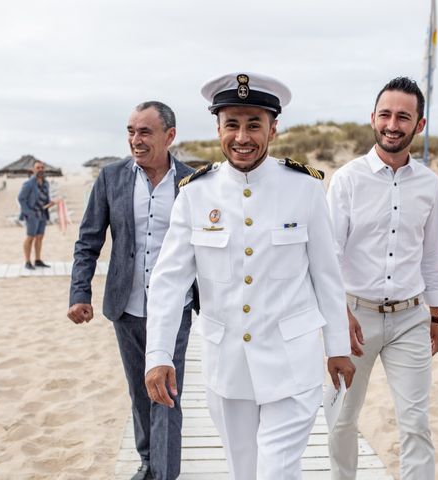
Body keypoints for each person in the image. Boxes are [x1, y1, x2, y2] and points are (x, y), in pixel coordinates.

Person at [144, 72, 355, 480]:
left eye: (254, 124)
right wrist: (158, 355)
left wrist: (337, 348)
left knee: (276, 472)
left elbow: (326, 275)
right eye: (232, 124)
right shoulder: (195, 194)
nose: (243, 137)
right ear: (218, 128)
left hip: (293, 365)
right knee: (244, 472)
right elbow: (169, 282)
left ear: (273, 129)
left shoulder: (305, 188)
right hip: (228, 368)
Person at [67, 101, 198, 480]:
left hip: (176, 307)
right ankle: (147, 460)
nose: (135, 140)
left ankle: (164, 473)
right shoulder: (110, 178)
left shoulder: (194, 180)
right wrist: (80, 293)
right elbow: (88, 240)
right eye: (130, 131)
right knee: (141, 392)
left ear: (169, 136)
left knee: (167, 394)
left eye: (144, 132)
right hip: (125, 306)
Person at [326, 77, 438, 480]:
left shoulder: (429, 185)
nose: (393, 124)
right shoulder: (347, 179)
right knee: (342, 419)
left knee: (416, 423)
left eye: (403, 117)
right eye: (386, 115)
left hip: (410, 319)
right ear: (373, 119)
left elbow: (432, 254)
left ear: (420, 124)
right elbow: (328, 256)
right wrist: (338, 313)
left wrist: (436, 315)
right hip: (354, 318)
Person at [18, 160, 54, 269]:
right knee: (30, 237)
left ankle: (38, 260)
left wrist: (50, 203)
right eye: (38, 168)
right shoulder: (29, 183)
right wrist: (28, 213)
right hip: (32, 215)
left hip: (43, 213)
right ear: (33, 170)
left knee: (40, 237)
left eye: (42, 167)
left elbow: (45, 198)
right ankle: (27, 262)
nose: (41, 169)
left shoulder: (46, 183)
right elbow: (21, 198)